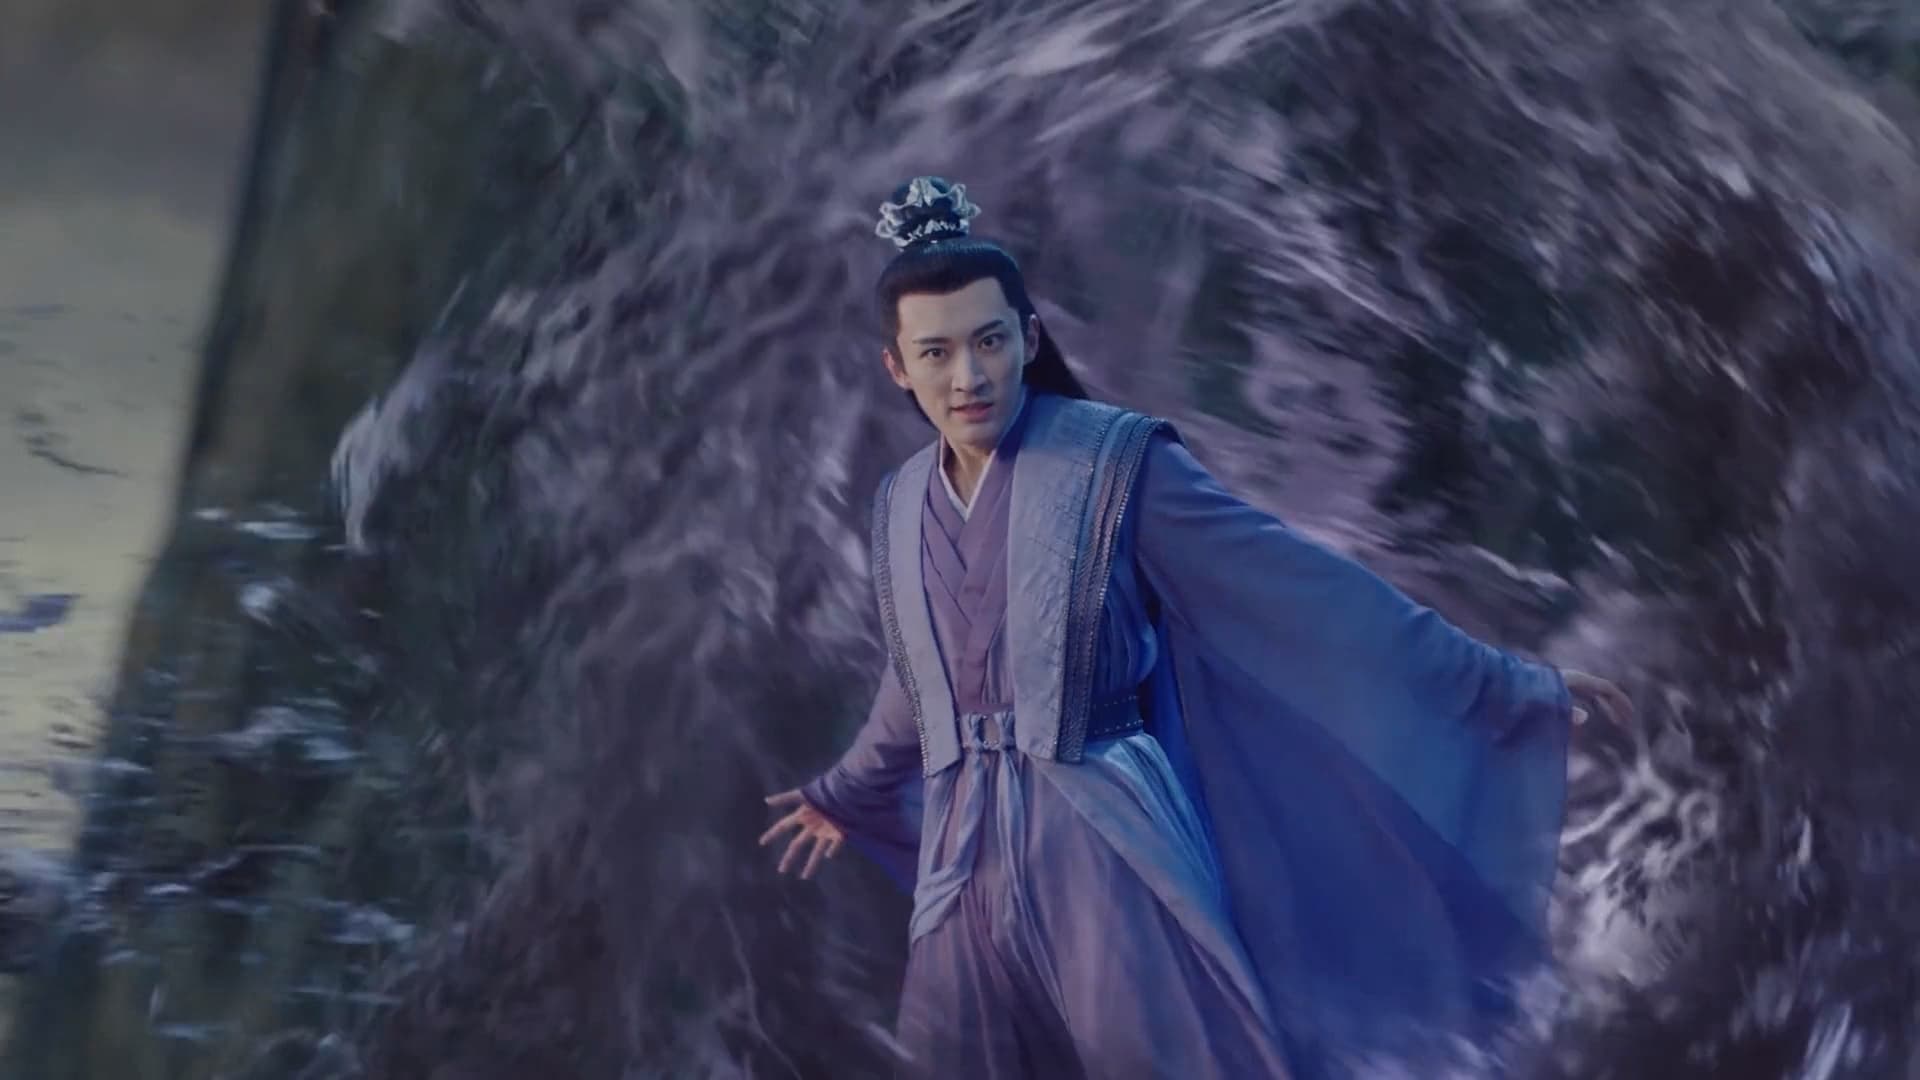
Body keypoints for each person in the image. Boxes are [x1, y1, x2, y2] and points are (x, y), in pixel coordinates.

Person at [760, 176, 1633, 1078]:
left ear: (1029, 336)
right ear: (898, 367)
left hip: (1102, 832)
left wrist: (1500, 684)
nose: (968, 377)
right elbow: (921, 676)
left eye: (989, 340)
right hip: (961, 851)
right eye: (936, 353)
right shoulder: (902, 502)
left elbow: (1303, 590)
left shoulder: (1115, 462)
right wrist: (848, 788)